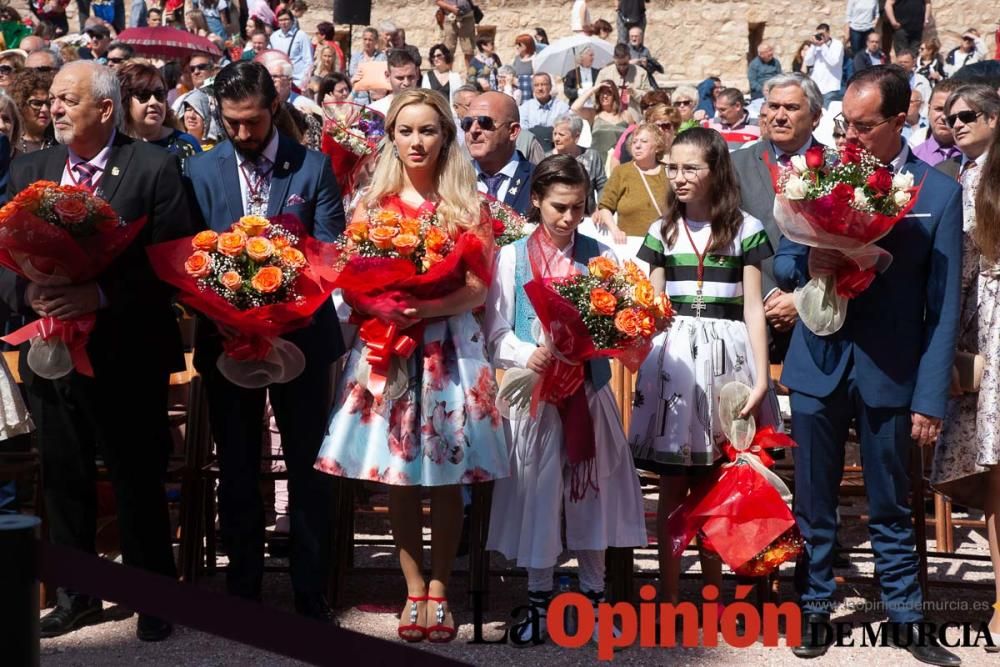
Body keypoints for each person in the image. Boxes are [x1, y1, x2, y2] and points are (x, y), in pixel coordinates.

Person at [2, 60, 192, 642]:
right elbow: (2, 253)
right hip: (52, 353)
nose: (53, 108)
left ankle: (151, 594)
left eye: (66, 99)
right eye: (52, 99)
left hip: (125, 353)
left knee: (136, 475)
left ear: (105, 109)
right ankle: (77, 595)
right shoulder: (30, 167)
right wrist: (29, 288)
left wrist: (99, 292)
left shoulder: (155, 167)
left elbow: (173, 263)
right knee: (63, 475)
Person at [777, 65, 961, 666]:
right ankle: (813, 608)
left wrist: (930, 397)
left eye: (863, 126)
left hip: (890, 369)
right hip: (818, 362)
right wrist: (813, 264)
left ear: (900, 118)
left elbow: (944, 307)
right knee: (814, 500)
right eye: (844, 124)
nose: (848, 137)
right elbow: (782, 260)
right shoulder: (816, 174)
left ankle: (907, 615)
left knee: (891, 499)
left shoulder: (937, 192)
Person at [314, 88, 508, 643]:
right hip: (387, 349)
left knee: (447, 477)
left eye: (427, 130)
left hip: (449, 352)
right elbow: (351, 284)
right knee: (398, 477)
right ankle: (412, 587)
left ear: (445, 137)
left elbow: (477, 289)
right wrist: (381, 303)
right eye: (406, 130)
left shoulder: (469, 207)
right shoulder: (371, 208)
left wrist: (424, 305)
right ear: (392, 138)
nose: (416, 141)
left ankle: (442, 588)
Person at [183, 60, 345, 622]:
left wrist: (283, 307)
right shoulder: (200, 172)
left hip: (300, 339)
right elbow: (187, 258)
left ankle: (309, 586)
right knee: (235, 462)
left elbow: (329, 250)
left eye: (252, 122)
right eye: (231, 123)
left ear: (273, 109)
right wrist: (222, 313)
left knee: (306, 464)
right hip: (226, 340)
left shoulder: (314, 167)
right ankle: (243, 584)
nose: (243, 134)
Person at [485, 154, 645, 644]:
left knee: (590, 492)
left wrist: (611, 338)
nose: (568, 218)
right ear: (536, 200)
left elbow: (622, 320)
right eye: (558, 207)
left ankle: (594, 601)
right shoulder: (511, 256)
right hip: (535, 396)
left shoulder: (602, 255)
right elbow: (495, 332)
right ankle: (538, 600)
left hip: (588, 391)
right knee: (538, 494)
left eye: (577, 207)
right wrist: (527, 352)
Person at [629, 126, 778, 612]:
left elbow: (754, 307)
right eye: (672, 167)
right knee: (672, 482)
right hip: (674, 362)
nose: (679, 177)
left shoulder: (746, 228)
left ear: (715, 170)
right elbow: (651, 306)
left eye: (690, 167)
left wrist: (760, 377)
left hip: (728, 357)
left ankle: (714, 596)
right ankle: (671, 595)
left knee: (719, 477)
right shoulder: (661, 231)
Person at [932, 107, 1000, 653]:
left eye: (967, 115)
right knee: (998, 468)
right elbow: (960, 270)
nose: (955, 123)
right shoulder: (968, 177)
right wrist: (950, 347)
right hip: (991, 320)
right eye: (949, 116)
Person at [731, 73, 823, 362]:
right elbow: (725, 238)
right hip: (756, 323)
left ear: (816, 117)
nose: (779, 116)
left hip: (821, 325)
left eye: (791, 108)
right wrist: (769, 296)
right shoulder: (736, 166)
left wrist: (802, 301)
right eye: (773, 106)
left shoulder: (839, 168)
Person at [593, 123, 667, 240]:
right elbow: (605, 206)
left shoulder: (669, 173)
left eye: (644, 141)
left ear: (657, 147)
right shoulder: (621, 172)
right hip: (630, 245)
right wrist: (615, 230)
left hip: (664, 244)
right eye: (634, 142)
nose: (637, 146)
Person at [466, 91, 534, 215]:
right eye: (467, 123)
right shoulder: (451, 180)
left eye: (484, 122)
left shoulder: (539, 181)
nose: (473, 130)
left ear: (513, 131)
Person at [118, 61, 201, 158]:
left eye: (159, 94)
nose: (154, 102)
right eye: (143, 94)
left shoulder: (186, 145)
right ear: (125, 100)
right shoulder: (114, 146)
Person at [549, 114, 606, 213]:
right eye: (555, 134)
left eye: (561, 135)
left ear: (576, 137)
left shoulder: (592, 156)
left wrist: (601, 208)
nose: (556, 139)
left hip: (589, 218)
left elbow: (602, 185)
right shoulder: (548, 160)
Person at [912, 78, 963, 170]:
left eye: (950, 110)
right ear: (928, 110)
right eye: (939, 109)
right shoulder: (914, 158)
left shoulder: (975, 157)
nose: (944, 117)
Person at [572, 80, 632, 158]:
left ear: (614, 95)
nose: (605, 96)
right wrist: (593, 89)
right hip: (598, 162)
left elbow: (634, 138)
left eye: (609, 93)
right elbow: (575, 108)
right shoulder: (594, 114)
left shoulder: (626, 115)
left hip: (620, 161)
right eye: (602, 93)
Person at [596, 43, 652, 116]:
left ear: (629, 58)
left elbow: (649, 98)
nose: (622, 67)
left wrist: (635, 93)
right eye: (619, 64)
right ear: (614, 58)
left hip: (634, 117)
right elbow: (596, 96)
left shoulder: (641, 73)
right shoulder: (604, 73)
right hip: (610, 117)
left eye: (625, 64)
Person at [518, 73, 570, 150]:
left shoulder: (562, 107)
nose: (540, 88)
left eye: (543, 84)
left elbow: (563, 132)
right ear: (532, 88)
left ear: (550, 87)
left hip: (555, 149)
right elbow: (523, 133)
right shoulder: (524, 108)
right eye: (536, 85)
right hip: (531, 148)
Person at [10, 69, 55, 154]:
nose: (45, 109)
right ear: (20, 104)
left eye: (49, 103)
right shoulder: (9, 143)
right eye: (36, 103)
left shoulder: (60, 145)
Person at [369, 49, 420, 116]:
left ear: (417, 74)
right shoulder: (375, 111)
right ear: (387, 76)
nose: (406, 83)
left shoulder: (429, 109)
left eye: (410, 77)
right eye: (400, 78)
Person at [805, 23, 845, 107]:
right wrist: (813, 45)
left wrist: (822, 45)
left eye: (822, 34)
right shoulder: (816, 45)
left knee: (827, 115)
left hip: (830, 87)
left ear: (828, 33)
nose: (821, 36)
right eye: (818, 34)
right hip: (816, 87)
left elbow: (833, 62)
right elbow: (808, 62)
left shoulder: (837, 44)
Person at [269, 9, 312, 87]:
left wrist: (304, 81)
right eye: (280, 20)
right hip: (279, 80)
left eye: (286, 19)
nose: (283, 22)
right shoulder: (274, 36)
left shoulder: (301, 36)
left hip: (297, 80)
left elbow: (308, 60)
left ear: (292, 20)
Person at [348, 27, 386, 107]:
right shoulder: (356, 57)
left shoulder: (382, 57)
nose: (367, 42)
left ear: (375, 41)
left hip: (375, 99)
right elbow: (353, 74)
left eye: (370, 40)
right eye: (365, 39)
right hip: (358, 99)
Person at [435, 0, 475, 69]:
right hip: (449, 17)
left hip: (467, 17)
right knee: (448, 50)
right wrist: (450, 8)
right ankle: (447, 76)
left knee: (469, 49)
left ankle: (471, 76)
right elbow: (438, 1)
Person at [894, 49, 931, 118]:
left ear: (913, 63)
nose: (902, 65)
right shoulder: (892, 81)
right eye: (900, 62)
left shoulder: (922, 81)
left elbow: (928, 102)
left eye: (906, 62)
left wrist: (921, 118)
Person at [511, 34, 535, 104]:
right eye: (517, 44)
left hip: (529, 94)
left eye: (519, 44)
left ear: (527, 45)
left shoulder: (534, 59)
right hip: (518, 94)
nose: (517, 47)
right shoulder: (516, 59)